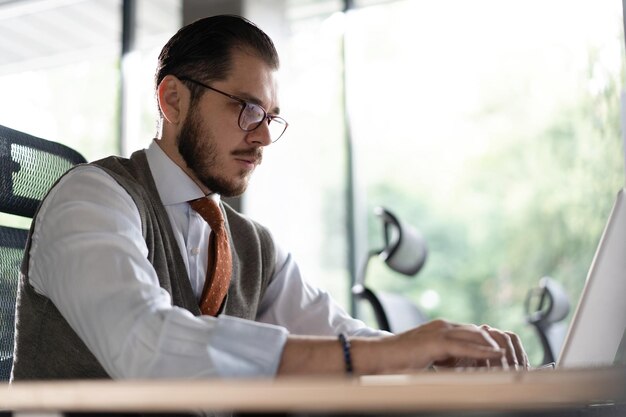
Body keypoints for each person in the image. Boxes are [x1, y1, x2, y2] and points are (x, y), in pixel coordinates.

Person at [11, 14, 527, 381]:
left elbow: (335, 335)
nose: (261, 137)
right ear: (172, 99)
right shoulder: (93, 199)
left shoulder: (252, 245)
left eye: (270, 118)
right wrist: (379, 355)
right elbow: (149, 346)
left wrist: (442, 353)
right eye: (246, 108)